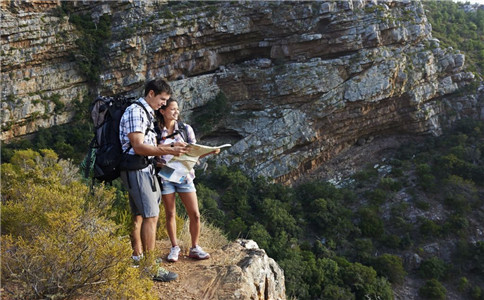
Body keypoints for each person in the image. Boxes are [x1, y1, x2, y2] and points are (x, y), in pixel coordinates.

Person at [119, 79, 189, 282]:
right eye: (162, 99)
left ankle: (138, 257)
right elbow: (139, 146)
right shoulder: (136, 111)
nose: (164, 105)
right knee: (151, 215)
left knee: (140, 214)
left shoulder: (146, 112)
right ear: (151, 93)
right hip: (137, 168)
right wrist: (169, 150)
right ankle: (150, 267)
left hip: (145, 168)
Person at [155, 98, 219, 262]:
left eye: (177, 109)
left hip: (185, 174)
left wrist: (210, 152)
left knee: (195, 214)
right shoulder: (156, 131)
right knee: (170, 213)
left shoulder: (185, 129)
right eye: (172, 109)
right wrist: (159, 164)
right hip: (167, 175)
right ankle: (174, 247)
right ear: (162, 111)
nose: (176, 112)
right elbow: (151, 154)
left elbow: (195, 152)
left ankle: (195, 247)